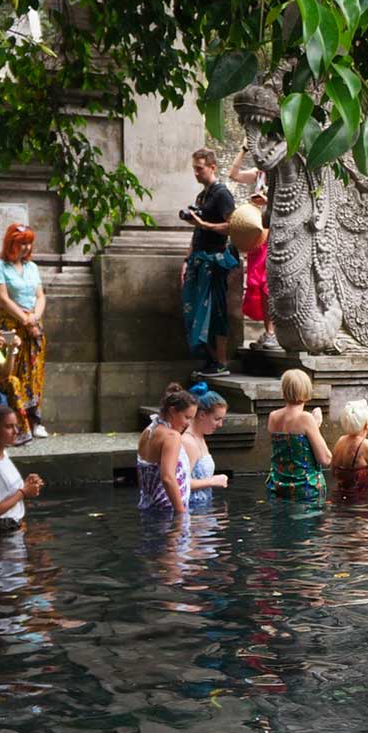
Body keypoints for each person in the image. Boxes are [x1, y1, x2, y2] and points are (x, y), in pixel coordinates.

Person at [181, 147, 240, 376]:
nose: (196, 173)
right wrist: (187, 259)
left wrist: (206, 226)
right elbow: (196, 233)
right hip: (198, 260)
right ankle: (210, 359)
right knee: (195, 311)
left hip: (215, 262)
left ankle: (221, 361)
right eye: (194, 169)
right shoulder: (202, 195)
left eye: (199, 169)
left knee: (216, 311)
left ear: (212, 167)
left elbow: (234, 225)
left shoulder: (222, 193)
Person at [0, 222, 49, 439]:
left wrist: (35, 317)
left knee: (34, 372)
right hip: (12, 324)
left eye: (29, 244)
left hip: (33, 324)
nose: (26, 248)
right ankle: (13, 423)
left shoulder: (32, 267)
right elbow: (3, 299)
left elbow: (40, 296)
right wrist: (25, 320)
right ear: (11, 243)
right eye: (22, 243)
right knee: (12, 371)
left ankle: (34, 420)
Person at [0, 405, 44, 533]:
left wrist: (28, 485)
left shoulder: (4, 454)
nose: (16, 431)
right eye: (9, 427)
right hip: (1, 532)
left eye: (15, 426)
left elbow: (8, 494)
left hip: (15, 526)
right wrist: (23, 492)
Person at [266, 368, 331, 498]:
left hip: (277, 487)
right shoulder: (306, 418)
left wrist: (314, 425)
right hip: (305, 489)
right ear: (307, 390)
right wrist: (315, 425)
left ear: (284, 391)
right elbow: (325, 459)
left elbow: (289, 450)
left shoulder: (273, 416)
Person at [137, 384, 195, 513]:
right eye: (187, 417)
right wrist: (181, 513)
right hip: (168, 510)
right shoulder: (171, 436)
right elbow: (168, 478)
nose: (188, 423)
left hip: (148, 506)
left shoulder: (147, 431)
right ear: (173, 411)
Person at [235, 191, 280, 353]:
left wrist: (267, 201)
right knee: (259, 288)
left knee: (267, 287)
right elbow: (234, 175)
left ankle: (272, 332)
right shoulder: (258, 174)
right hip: (259, 239)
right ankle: (269, 332)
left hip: (273, 239)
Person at [181, 383, 231, 511]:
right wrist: (213, 481)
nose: (220, 424)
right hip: (191, 511)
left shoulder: (200, 438)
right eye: (217, 419)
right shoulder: (188, 442)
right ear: (202, 415)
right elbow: (180, 483)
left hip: (202, 509)